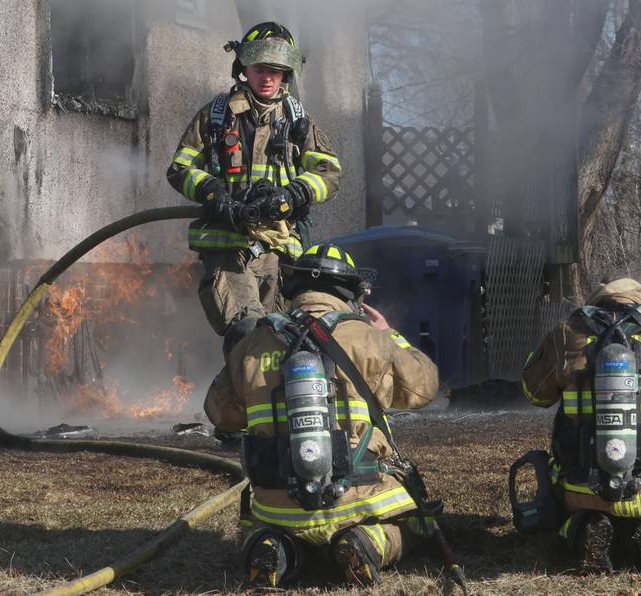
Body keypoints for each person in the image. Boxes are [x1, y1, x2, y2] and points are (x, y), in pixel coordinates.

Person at [203, 243, 441, 587]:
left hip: (278, 505)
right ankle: (367, 542)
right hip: (358, 497)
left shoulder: (256, 341)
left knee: (273, 528)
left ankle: (274, 546)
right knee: (417, 522)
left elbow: (219, 413)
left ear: (294, 288)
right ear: (349, 291)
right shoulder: (370, 339)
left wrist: (246, 363)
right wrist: (391, 336)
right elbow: (425, 387)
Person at [166, 22, 342, 340]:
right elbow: (181, 168)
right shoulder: (216, 117)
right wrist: (212, 191)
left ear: (286, 73)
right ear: (244, 67)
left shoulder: (298, 121)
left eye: (276, 70)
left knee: (283, 339)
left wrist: (294, 193)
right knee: (248, 333)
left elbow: (329, 172)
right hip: (227, 245)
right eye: (261, 68)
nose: (268, 77)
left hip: (280, 250)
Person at [521, 277, 641, 574]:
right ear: (640, 298)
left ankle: (583, 529)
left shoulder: (568, 332)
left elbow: (534, 393)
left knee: (572, 516)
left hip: (584, 485)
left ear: (597, 301)